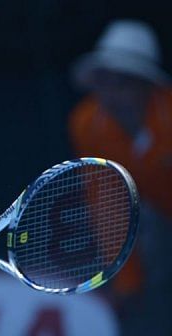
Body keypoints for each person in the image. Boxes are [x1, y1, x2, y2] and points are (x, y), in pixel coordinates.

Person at [69, 19, 172, 335]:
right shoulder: (85, 123)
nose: (110, 94)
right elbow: (106, 204)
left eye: (122, 83)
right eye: (104, 82)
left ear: (145, 85)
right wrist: (126, 282)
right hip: (144, 229)